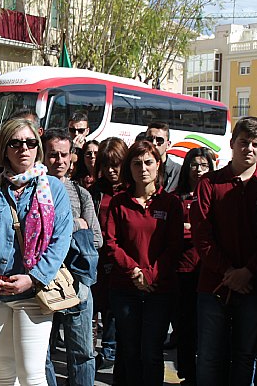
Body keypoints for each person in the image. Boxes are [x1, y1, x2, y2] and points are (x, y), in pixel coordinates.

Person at [0, 118, 73, 386]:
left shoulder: (53, 188)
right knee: (3, 372)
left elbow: (60, 242)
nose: (23, 148)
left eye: (30, 142)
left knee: (32, 374)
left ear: (37, 147)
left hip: (32, 290)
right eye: (15, 143)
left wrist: (33, 278)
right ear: (5, 149)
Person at [191, 117, 257, 385]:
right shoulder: (209, 184)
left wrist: (248, 271)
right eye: (243, 142)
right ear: (232, 144)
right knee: (210, 357)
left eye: (255, 144)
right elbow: (202, 236)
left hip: (253, 287)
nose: (249, 148)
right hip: (214, 285)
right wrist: (228, 271)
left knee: (245, 357)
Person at [105, 139, 183, 385]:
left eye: (149, 162)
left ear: (158, 165)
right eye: (137, 163)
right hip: (125, 288)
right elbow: (111, 243)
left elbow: (174, 246)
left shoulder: (170, 203)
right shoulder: (119, 202)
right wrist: (135, 271)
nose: (143, 168)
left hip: (158, 289)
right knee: (129, 351)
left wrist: (150, 275)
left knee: (151, 353)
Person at [42, 128, 102, 386]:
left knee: (82, 353)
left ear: (72, 157)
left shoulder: (81, 193)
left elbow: (96, 238)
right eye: (53, 155)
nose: (59, 161)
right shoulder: (36, 189)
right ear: (43, 157)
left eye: (64, 155)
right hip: (43, 280)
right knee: (41, 353)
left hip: (77, 281)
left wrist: (61, 228)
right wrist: (75, 225)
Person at [172, 147, 216, 385]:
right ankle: (187, 373)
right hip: (183, 271)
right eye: (194, 165)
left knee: (207, 329)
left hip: (209, 270)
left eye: (204, 165)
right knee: (185, 327)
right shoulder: (176, 199)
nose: (199, 170)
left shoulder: (215, 195)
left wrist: (194, 230)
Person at [88, 137, 128, 373]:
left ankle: (111, 350)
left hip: (120, 259)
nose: (111, 170)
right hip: (96, 258)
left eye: (116, 164)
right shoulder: (93, 191)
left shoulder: (130, 192)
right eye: (106, 165)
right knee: (96, 306)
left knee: (116, 311)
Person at [146, 122, 181, 192]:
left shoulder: (178, 171)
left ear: (168, 144)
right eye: (150, 139)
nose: (154, 143)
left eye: (159, 140)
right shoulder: (139, 166)